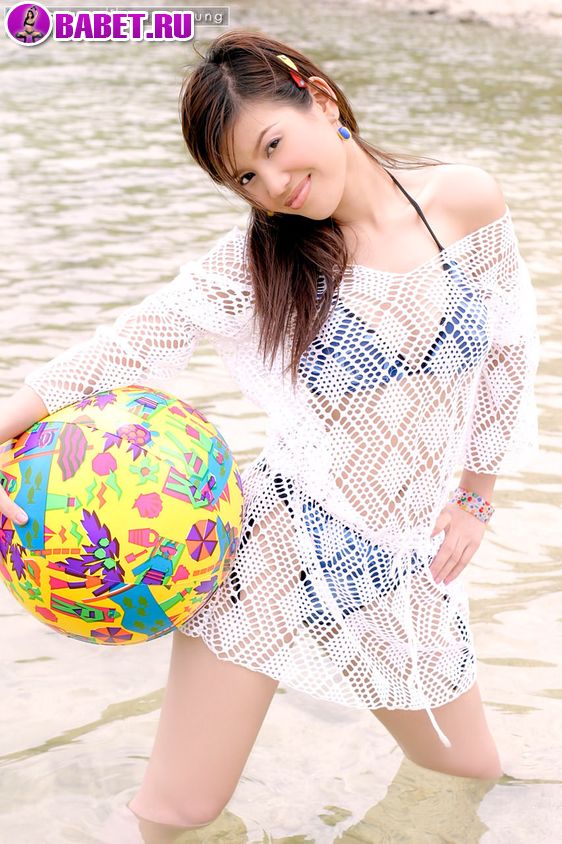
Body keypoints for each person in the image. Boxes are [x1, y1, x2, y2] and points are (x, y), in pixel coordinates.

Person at [0, 27, 540, 836]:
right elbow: (121, 347)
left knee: (466, 773)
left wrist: (476, 499)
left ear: (318, 98)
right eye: (246, 178)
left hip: (400, 566)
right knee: (181, 809)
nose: (273, 185)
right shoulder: (259, 259)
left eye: (273, 147)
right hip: (277, 552)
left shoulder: (465, 202)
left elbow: (507, 352)